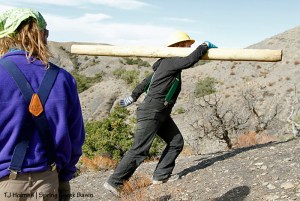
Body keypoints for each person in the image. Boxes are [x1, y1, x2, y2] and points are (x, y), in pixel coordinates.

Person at [104, 30, 217, 196]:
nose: (190, 46)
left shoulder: (167, 64)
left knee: (176, 142)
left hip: (161, 112)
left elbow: (146, 82)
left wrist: (133, 96)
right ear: (178, 46)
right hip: (152, 111)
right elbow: (190, 60)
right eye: (188, 44)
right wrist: (204, 46)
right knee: (140, 150)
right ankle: (114, 182)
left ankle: (160, 177)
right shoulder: (171, 61)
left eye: (191, 45)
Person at [0, 8, 85, 201]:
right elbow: (75, 136)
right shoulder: (63, 79)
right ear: (43, 35)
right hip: (48, 182)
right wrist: (64, 175)